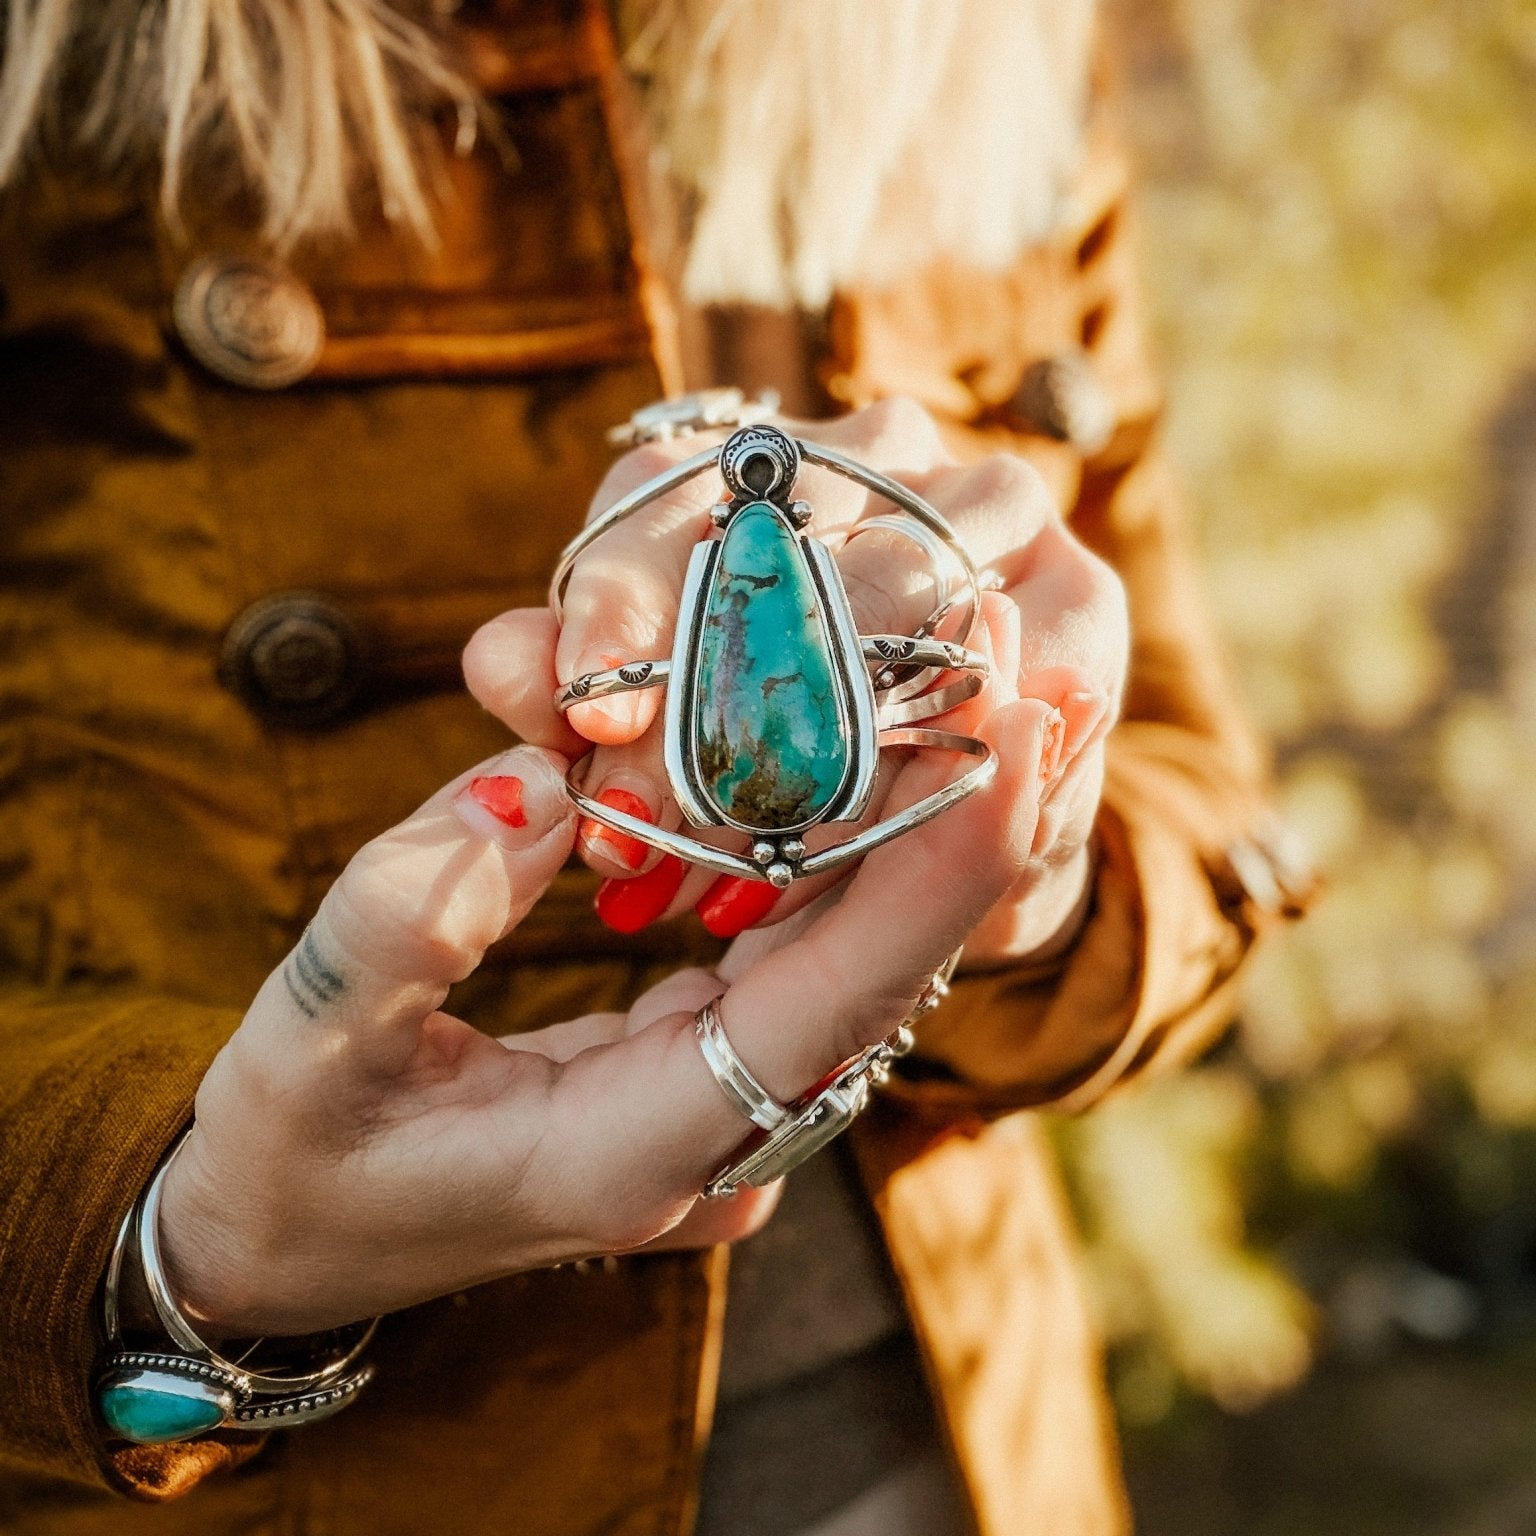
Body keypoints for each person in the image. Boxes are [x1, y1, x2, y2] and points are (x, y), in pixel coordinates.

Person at [0, 2, 1309, 1532]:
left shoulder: (990, 34)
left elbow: (1207, 795)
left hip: (961, 1448)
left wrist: (1036, 861)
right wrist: (175, 1232)